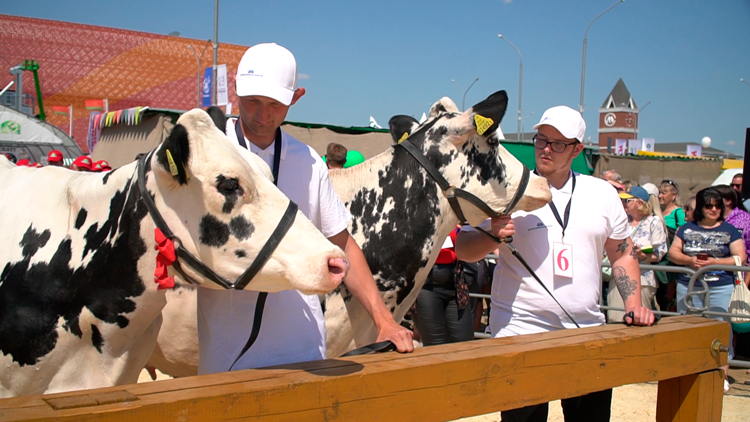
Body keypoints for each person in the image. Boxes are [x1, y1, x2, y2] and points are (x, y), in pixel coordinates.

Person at [197, 42, 413, 374]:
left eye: (275, 103)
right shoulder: (206, 156)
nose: (262, 114)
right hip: (228, 360)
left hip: (304, 353)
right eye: (252, 100)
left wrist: (384, 320)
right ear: (236, 88)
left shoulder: (309, 162)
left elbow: (341, 244)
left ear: (295, 97)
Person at [455, 105, 654, 422]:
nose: (546, 149)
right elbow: (463, 248)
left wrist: (633, 303)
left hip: (585, 332)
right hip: (520, 334)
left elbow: (622, 252)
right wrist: (492, 235)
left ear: (577, 149)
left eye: (558, 143)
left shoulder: (601, 193)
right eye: (541, 140)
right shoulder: (506, 189)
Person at [668, 187, 746, 393]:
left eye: (718, 206)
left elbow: (741, 257)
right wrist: (690, 260)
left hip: (721, 286)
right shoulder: (685, 229)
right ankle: (688, 370)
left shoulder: (730, 230)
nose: (714, 210)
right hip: (689, 284)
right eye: (709, 205)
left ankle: (721, 373)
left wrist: (714, 262)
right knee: (687, 326)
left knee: (721, 328)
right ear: (701, 207)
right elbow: (673, 252)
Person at [608, 186, 667, 321]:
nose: (623, 204)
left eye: (627, 201)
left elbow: (659, 253)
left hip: (643, 278)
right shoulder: (622, 221)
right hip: (617, 276)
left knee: (636, 318)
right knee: (614, 317)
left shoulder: (654, 222)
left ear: (639, 203)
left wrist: (643, 255)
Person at [414, 226, 476, 346]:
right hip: (427, 285)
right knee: (436, 345)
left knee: (465, 342)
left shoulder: (456, 221)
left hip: (456, 284)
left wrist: (465, 231)